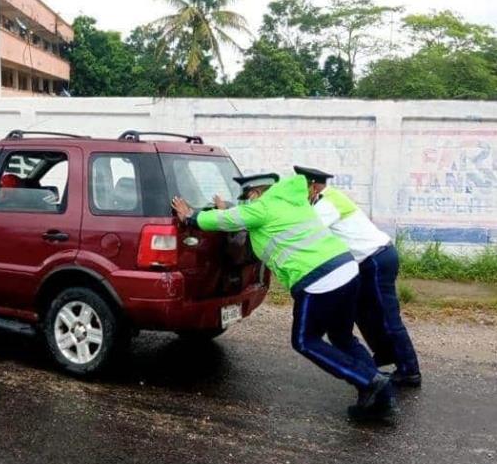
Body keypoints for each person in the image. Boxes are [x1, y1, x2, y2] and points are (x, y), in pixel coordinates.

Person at [171, 173, 395, 420]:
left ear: (255, 194)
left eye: (246, 198)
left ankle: (370, 382)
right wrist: (232, 209)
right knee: (341, 337)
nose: (246, 203)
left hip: (319, 278)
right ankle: (380, 395)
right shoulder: (290, 200)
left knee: (305, 340)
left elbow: (227, 219)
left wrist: (191, 216)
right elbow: (245, 217)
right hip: (346, 268)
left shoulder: (262, 208)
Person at [294, 165, 421, 387]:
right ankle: (384, 356)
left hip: (375, 259)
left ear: (312, 187)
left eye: (300, 188)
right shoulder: (324, 200)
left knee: (388, 317)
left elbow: (309, 231)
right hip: (366, 262)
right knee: (363, 314)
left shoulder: (326, 203)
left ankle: (410, 370)